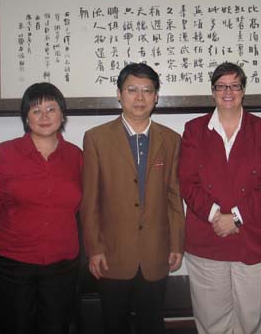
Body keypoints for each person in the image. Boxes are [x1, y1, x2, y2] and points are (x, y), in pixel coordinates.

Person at [179, 62, 261, 334]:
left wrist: (236, 217)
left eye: (235, 86)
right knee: (212, 321)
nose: (228, 92)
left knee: (250, 320)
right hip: (207, 239)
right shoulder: (194, 130)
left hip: (253, 238)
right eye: (221, 86)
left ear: (243, 90)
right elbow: (187, 182)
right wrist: (217, 216)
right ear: (213, 91)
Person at [80, 62, 184, 334]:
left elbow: (174, 196)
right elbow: (90, 200)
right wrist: (94, 248)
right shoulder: (96, 139)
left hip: (156, 252)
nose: (140, 97)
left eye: (147, 91)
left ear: (156, 96)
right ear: (119, 94)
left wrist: (176, 243)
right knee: (115, 324)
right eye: (132, 90)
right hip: (112, 254)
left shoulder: (171, 139)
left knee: (152, 324)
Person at [0, 82, 83, 334]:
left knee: (57, 326)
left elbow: (83, 202)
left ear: (62, 115)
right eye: (36, 110)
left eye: (51, 109)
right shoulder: (5, 153)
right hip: (14, 262)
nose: (44, 116)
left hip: (62, 262)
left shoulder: (76, 156)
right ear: (26, 117)